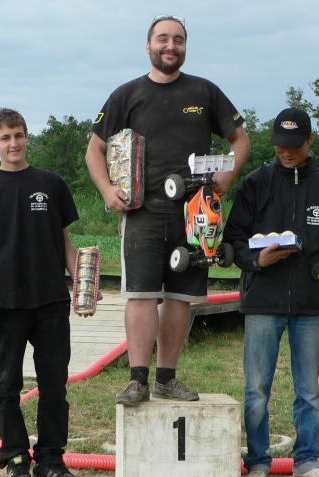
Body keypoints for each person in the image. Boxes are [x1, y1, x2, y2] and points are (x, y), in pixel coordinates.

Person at [85, 14, 250, 406]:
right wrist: (108, 190)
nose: (170, 46)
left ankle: (166, 379)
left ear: (185, 46)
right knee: (141, 296)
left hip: (195, 214)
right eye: (162, 39)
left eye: (178, 40)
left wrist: (226, 177)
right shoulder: (126, 95)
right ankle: (137, 380)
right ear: (148, 46)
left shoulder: (205, 92)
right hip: (141, 210)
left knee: (181, 297)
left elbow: (240, 140)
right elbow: (95, 149)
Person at [223, 107, 319, 477]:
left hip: (309, 303)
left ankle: (307, 461)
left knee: (309, 389)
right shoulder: (257, 182)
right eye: (279, 145)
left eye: (293, 145)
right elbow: (232, 240)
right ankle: (257, 462)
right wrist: (257, 259)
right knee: (256, 389)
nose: (285, 152)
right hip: (263, 301)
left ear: (310, 141)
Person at [0, 107, 81, 477]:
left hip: (51, 300)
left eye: (18, 135)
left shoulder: (51, 184)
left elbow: (65, 241)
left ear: (26, 136)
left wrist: (82, 284)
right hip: (8, 303)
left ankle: (50, 459)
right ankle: (15, 459)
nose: (13, 143)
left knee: (54, 385)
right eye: (4, 138)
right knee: (6, 385)